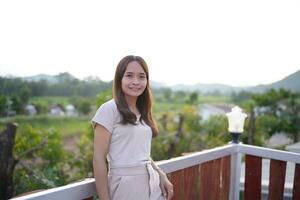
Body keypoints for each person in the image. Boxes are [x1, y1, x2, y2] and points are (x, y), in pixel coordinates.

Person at [92, 55, 174, 200]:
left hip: (152, 186)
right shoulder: (109, 110)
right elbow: (98, 158)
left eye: (141, 77)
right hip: (125, 188)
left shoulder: (142, 111)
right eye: (129, 76)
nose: (136, 82)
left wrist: (160, 173)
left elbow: (141, 154)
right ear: (120, 79)